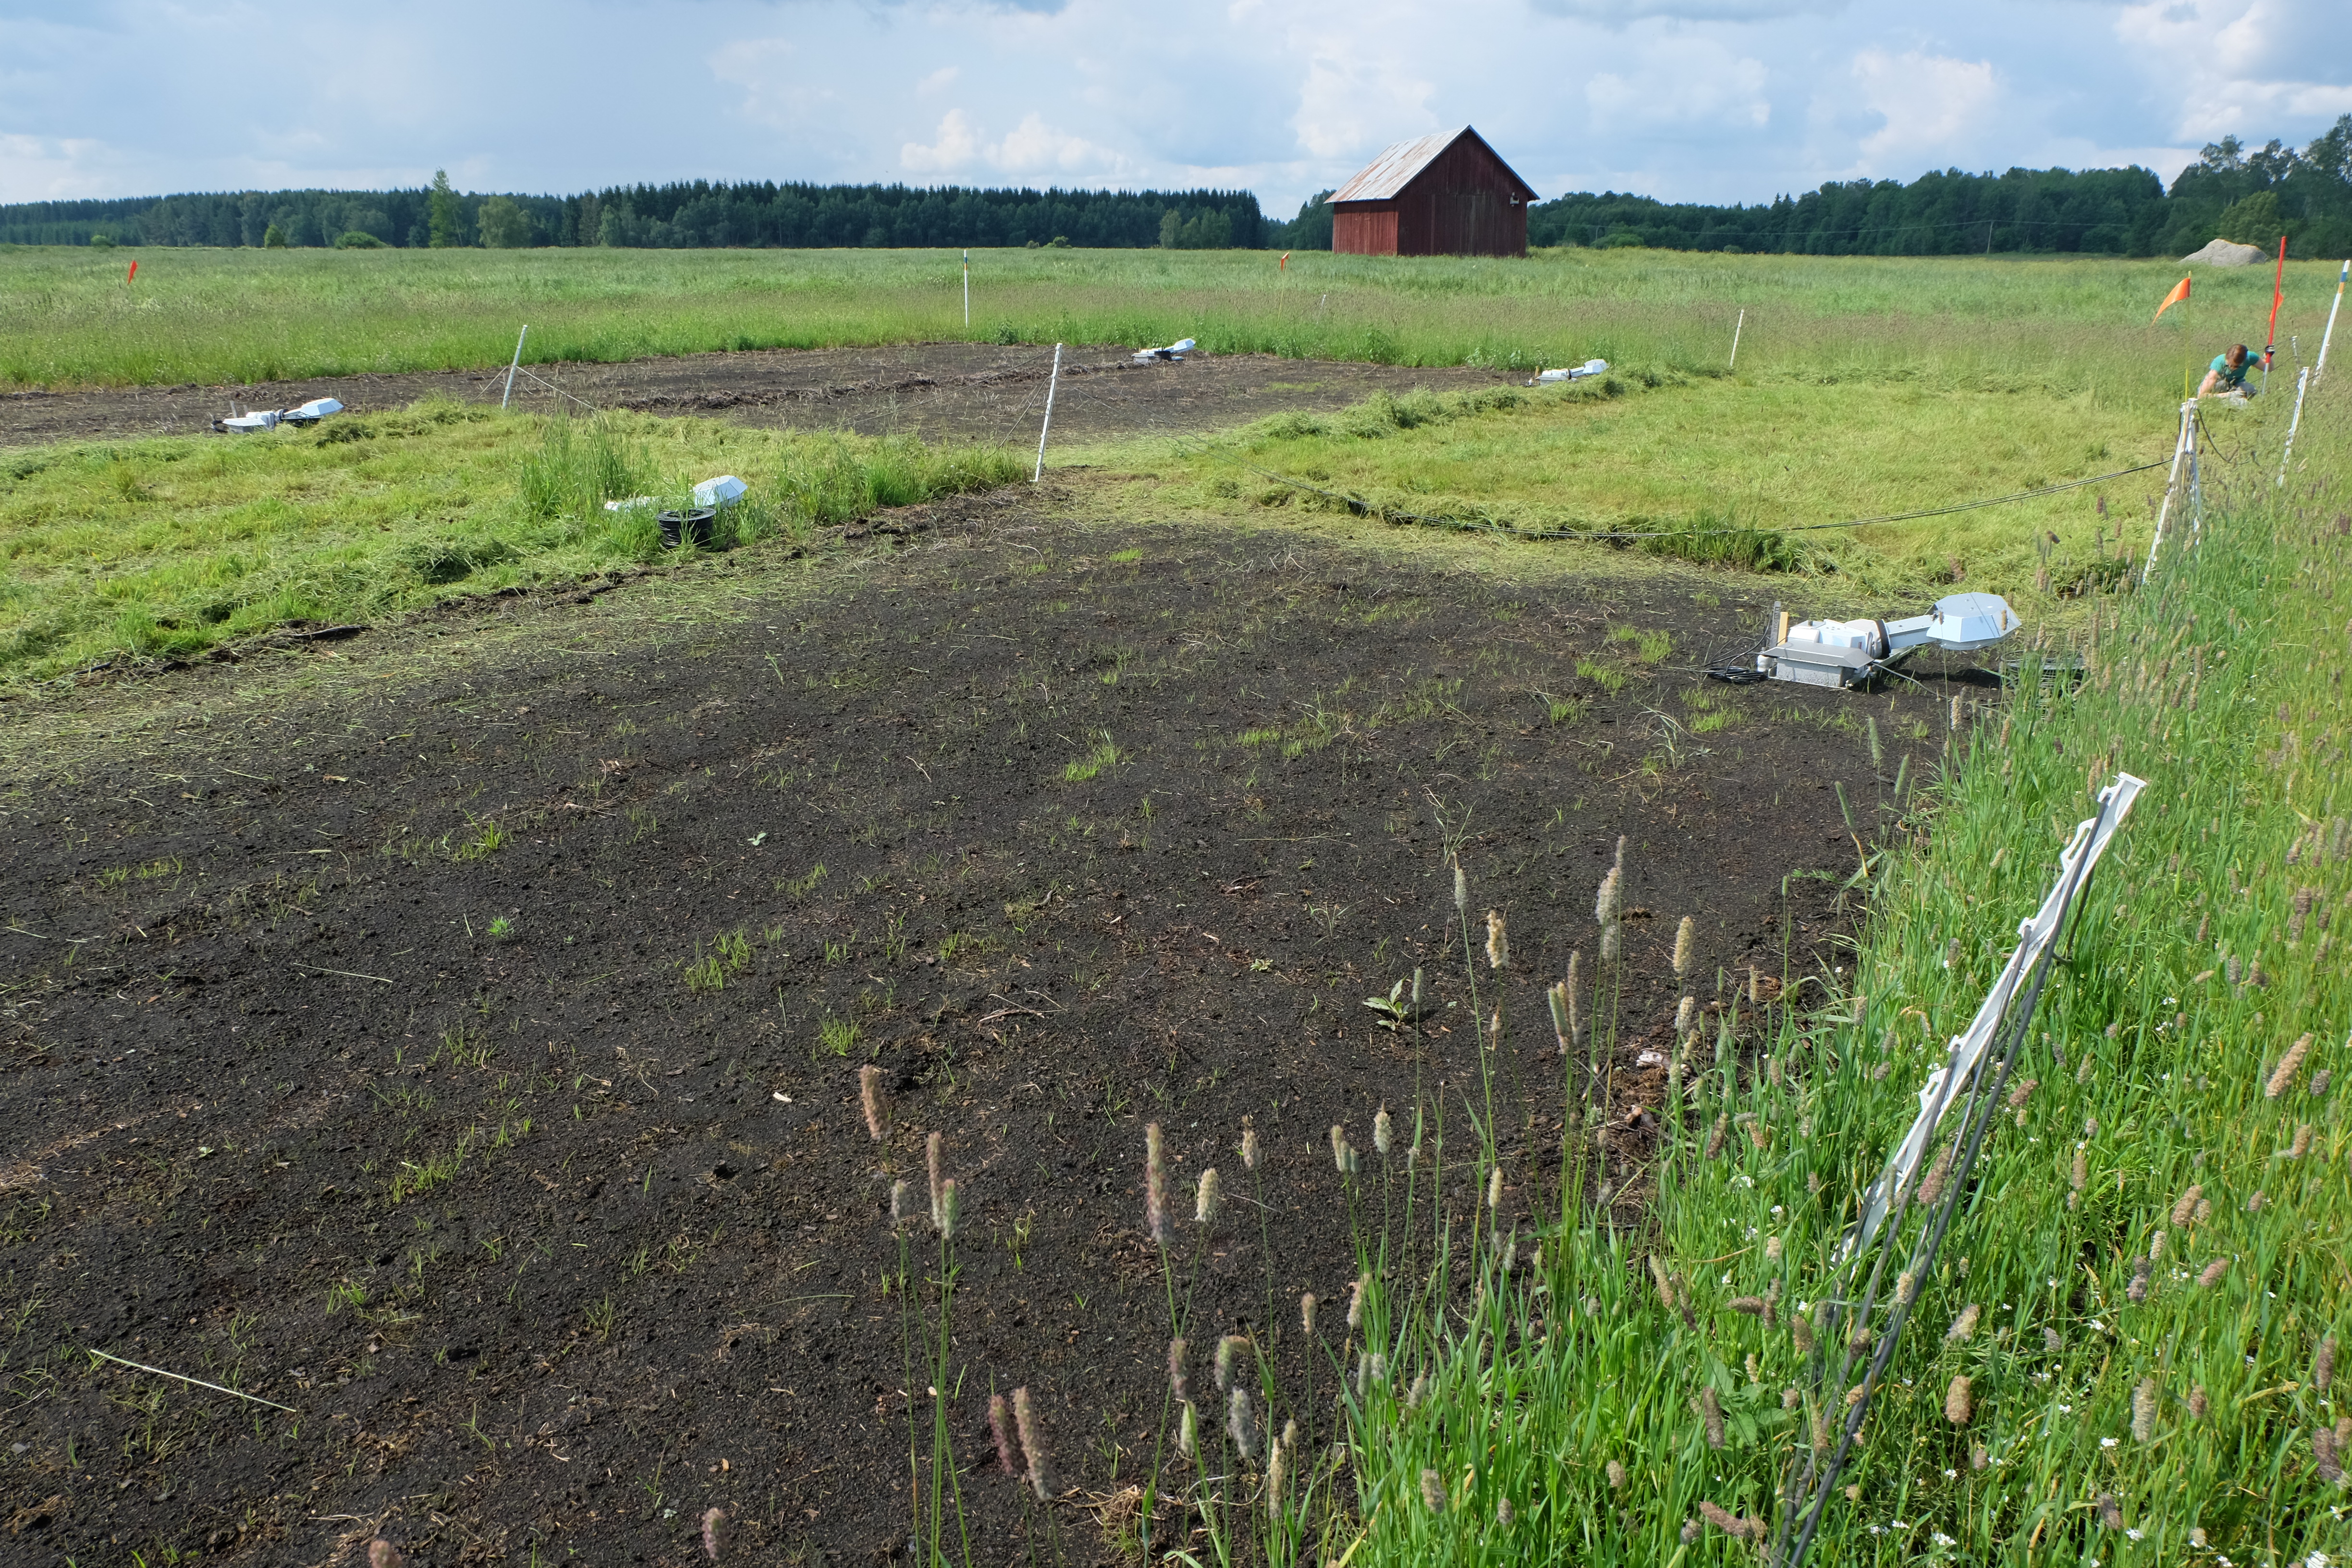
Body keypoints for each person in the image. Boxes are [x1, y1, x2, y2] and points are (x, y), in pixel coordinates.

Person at [2198, 343, 2263, 397]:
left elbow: (2269, 368)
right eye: (2228, 365)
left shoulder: (2251, 357)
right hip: (2219, 386)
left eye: (2236, 366)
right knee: (2222, 384)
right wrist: (2227, 395)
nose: (2231, 368)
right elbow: (2201, 395)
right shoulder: (2219, 363)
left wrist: (2269, 355)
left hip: (2237, 385)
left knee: (2251, 390)